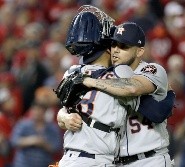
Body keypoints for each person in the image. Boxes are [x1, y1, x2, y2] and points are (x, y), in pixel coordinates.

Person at [81, 22, 175, 167]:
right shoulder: (107, 75)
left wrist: (92, 82)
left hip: (150, 159)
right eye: (113, 44)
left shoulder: (153, 69)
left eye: (123, 46)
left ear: (139, 51)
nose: (116, 51)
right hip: (116, 162)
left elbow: (132, 88)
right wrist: (65, 116)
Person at [56, 10, 139, 167]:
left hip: (70, 160)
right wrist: (66, 118)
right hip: (97, 160)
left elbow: (62, 113)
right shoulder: (122, 72)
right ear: (108, 47)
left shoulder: (72, 72)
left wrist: (65, 118)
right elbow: (63, 113)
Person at [10, 101, 62, 167]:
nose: (37, 113)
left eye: (40, 111)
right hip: (23, 164)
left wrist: (43, 144)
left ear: (45, 112)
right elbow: (13, 141)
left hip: (43, 164)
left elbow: (57, 147)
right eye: (35, 110)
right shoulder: (23, 124)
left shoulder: (52, 128)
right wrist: (32, 140)